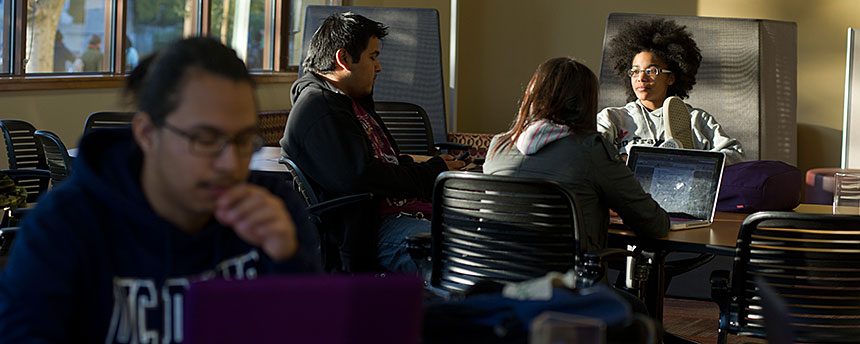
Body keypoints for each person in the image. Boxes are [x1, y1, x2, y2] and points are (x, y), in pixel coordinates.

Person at [0, 37, 320, 343]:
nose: (230, 164)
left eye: (243, 141)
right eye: (205, 140)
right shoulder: (63, 227)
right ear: (147, 134)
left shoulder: (273, 210)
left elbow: (316, 331)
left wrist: (288, 261)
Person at [280, 12, 464, 273]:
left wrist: (431, 166)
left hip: (399, 215)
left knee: (495, 232)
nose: (379, 67)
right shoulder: (319, 109)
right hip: (373, 230)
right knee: (471, 248)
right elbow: (361, 176)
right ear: (343, 59)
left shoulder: (349, 101)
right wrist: (430, 172)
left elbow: (378, 163)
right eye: (373, 57)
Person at [483, 57, 669, 252]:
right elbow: (654, 225)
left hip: (491, 275)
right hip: (563, 278)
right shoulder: (591, 149)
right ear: (585, 103)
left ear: (533, 94)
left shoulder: (499, 145)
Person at [597, 18, 744, 164]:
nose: (641, 78)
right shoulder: (612, 118)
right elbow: (587, 150)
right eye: (635, 71)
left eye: (652, 70)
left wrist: (696, 162)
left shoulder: (696, 119)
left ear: (671, 78)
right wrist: (623, 160)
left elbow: (735, 155)